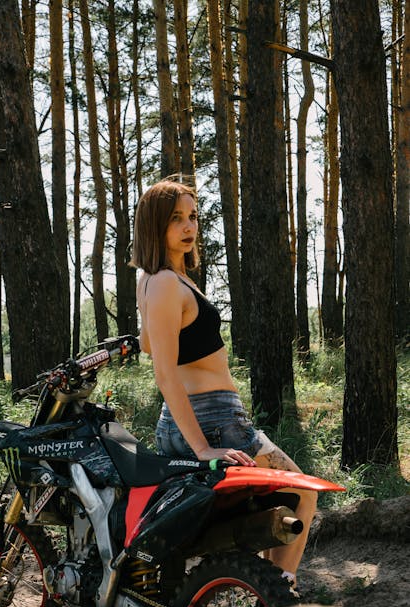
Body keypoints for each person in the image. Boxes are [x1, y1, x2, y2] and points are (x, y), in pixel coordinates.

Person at [131, 177, 317, 585]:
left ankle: (261, 590)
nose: (188, 227)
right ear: (154, 225)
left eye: (193, 217)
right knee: (302, 492)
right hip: (214, 420)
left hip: (190, 420)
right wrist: (202, 446)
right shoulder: (163, 283)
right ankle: (278, 601)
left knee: (263, 508)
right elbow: (163, 371)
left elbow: (147, 342)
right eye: (176, 218)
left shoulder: (154, 280)